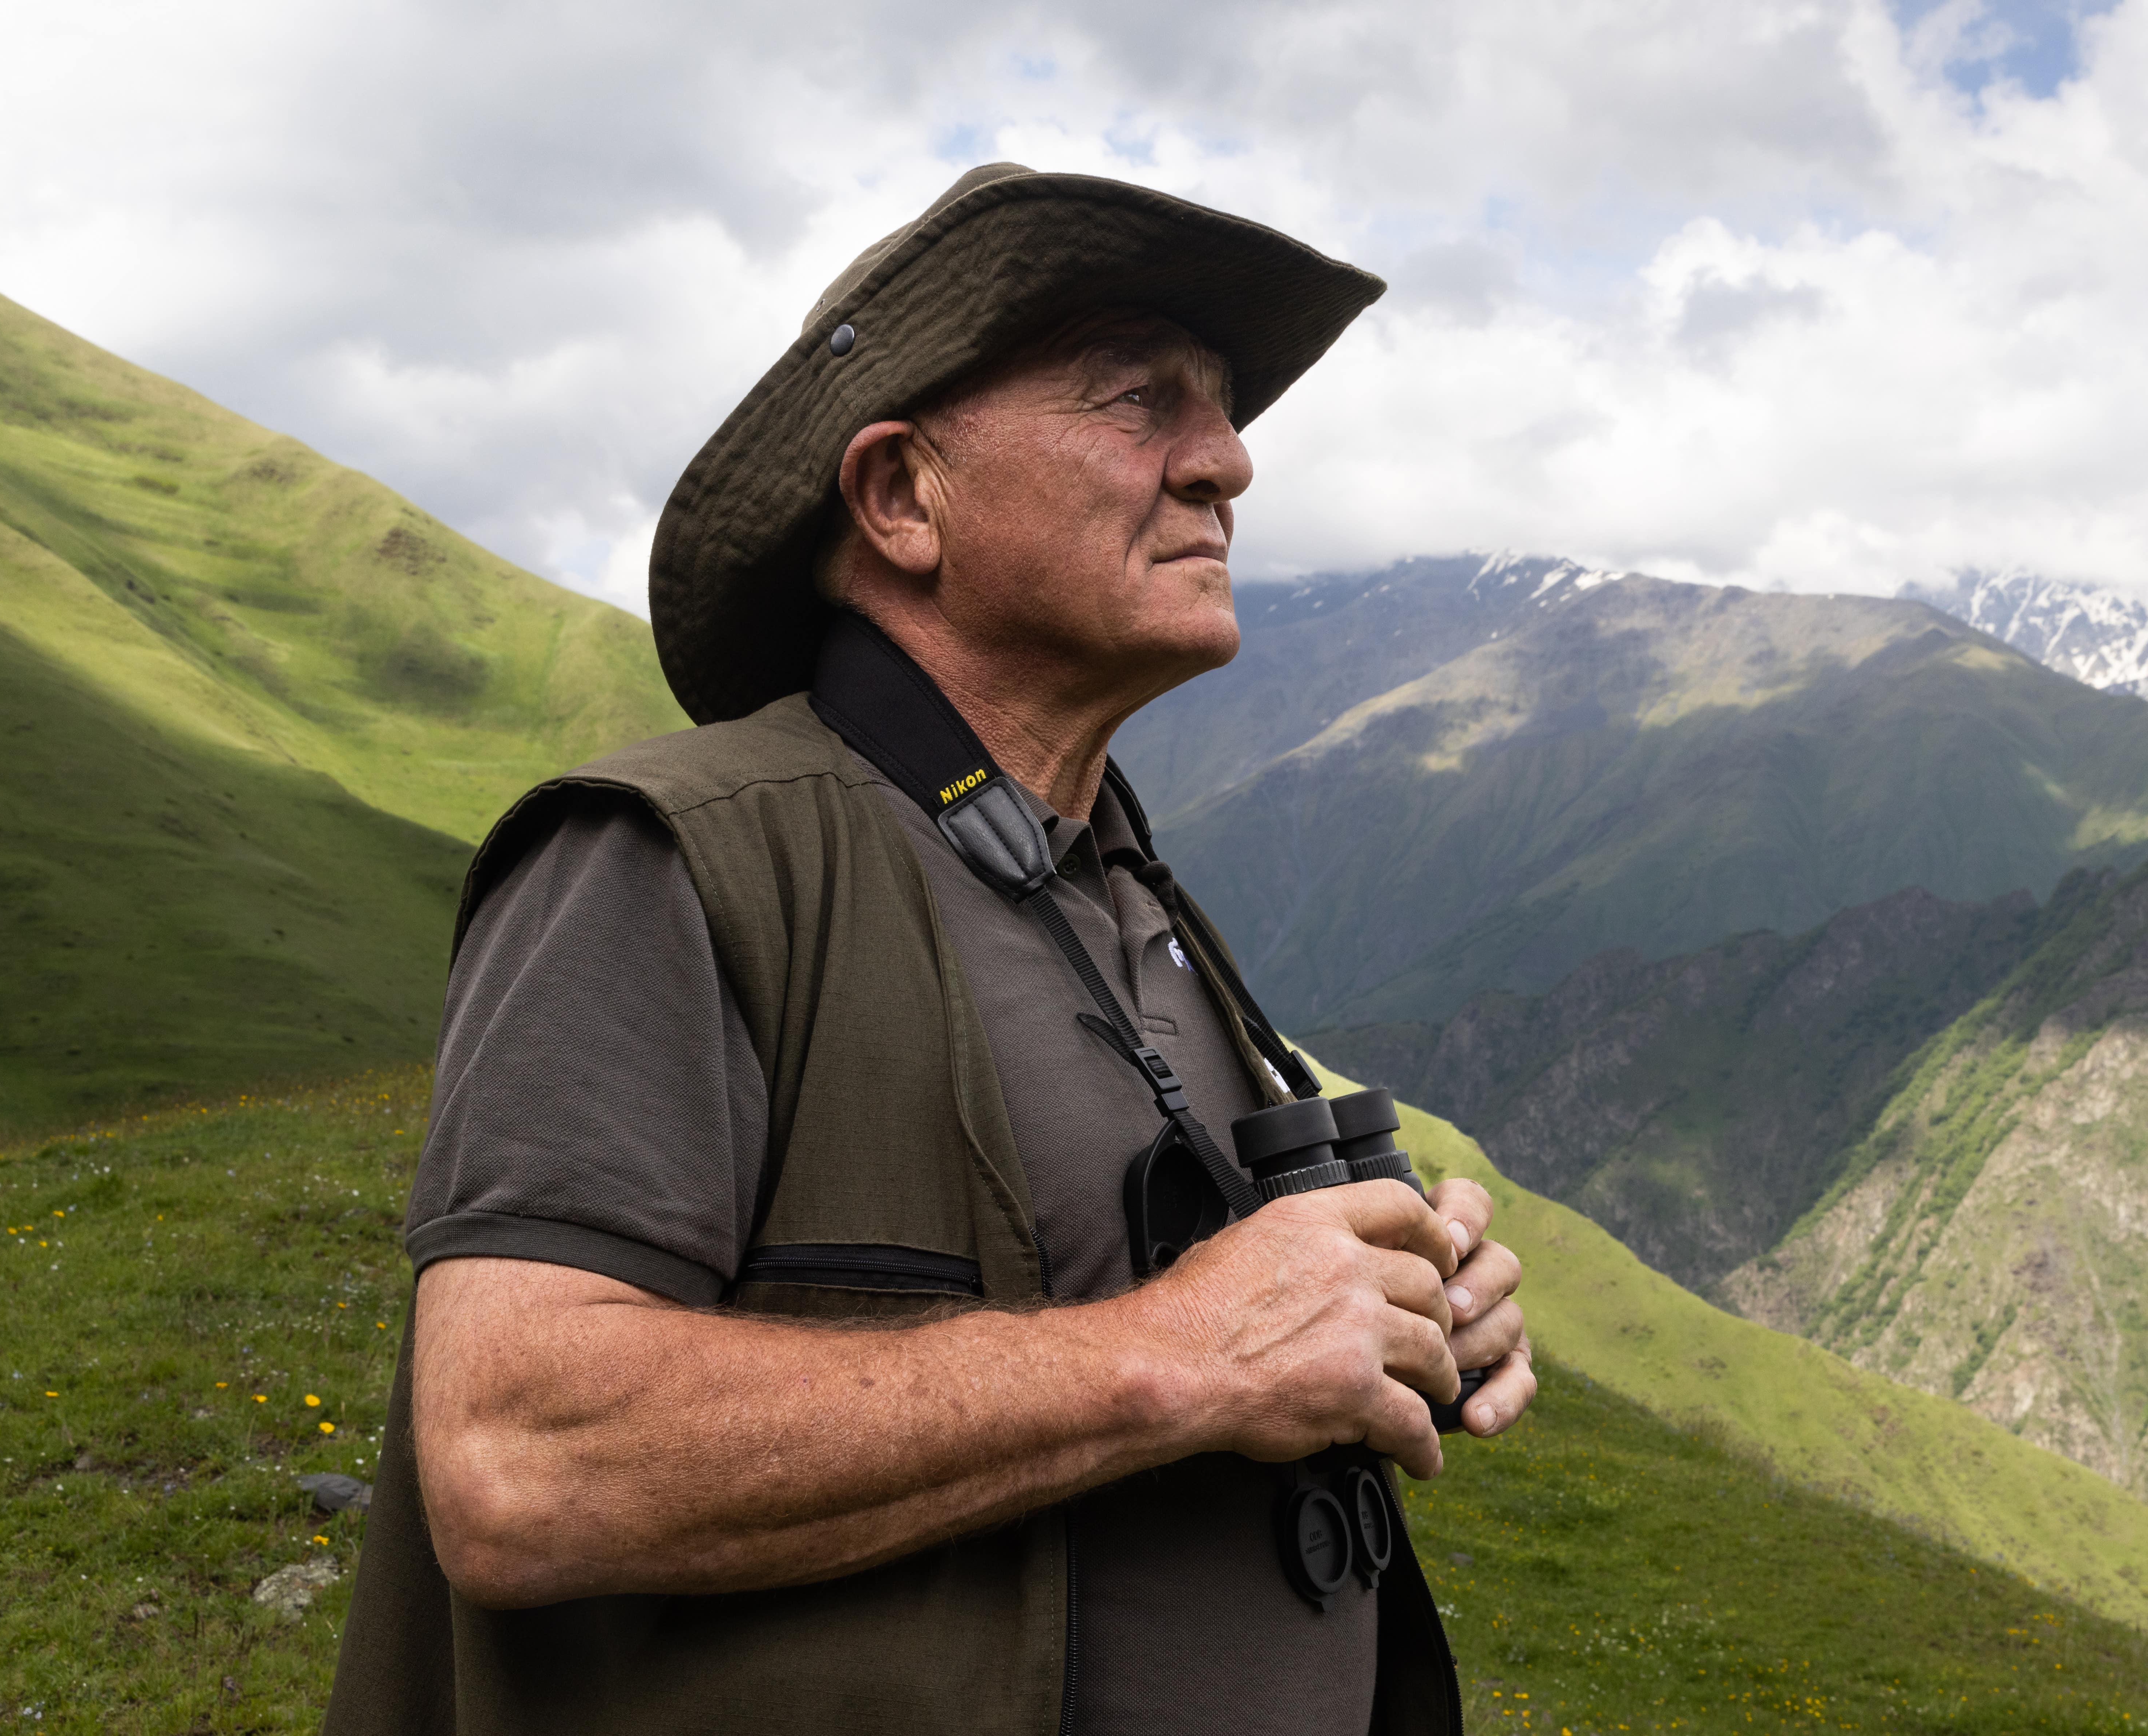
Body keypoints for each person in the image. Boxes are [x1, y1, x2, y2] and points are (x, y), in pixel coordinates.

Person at [324, 163, 1533, 1736]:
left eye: (1225, 411)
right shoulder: (669, 855)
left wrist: (1392, 1304)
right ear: (902, 499)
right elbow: (519, 1461)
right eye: (1136, 402)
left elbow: (1209, 1311)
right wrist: (1178, 1352)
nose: (1226, 462)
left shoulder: (1125, 892)